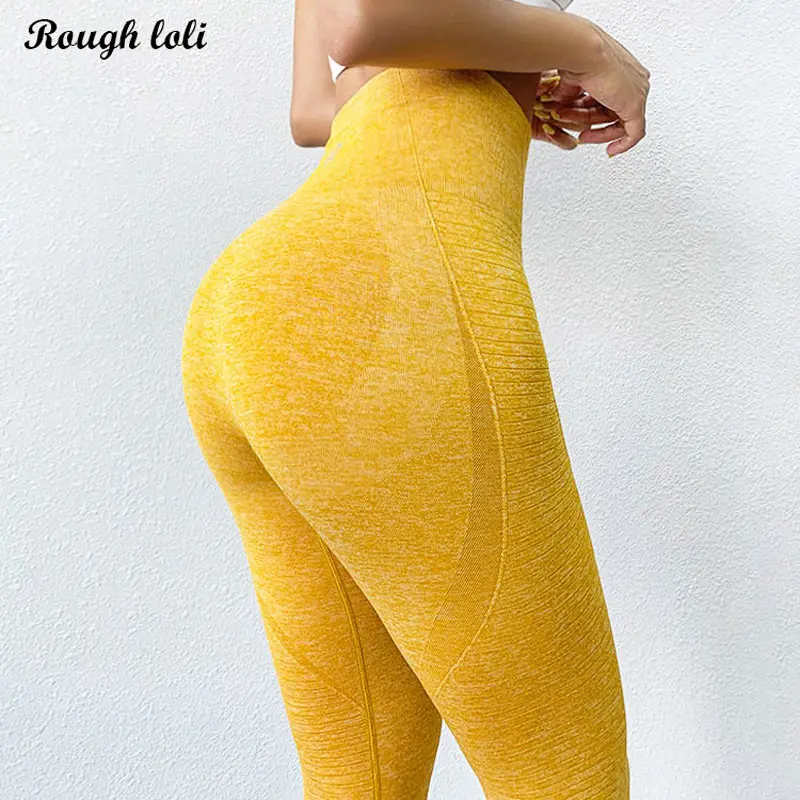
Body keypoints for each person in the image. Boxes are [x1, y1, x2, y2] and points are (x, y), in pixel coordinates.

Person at [181, 1, 650, 797]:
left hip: (251, 306)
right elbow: (364, 24)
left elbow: (314, 111)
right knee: (567, 777)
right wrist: (593, 48)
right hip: (385, 288)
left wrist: (501, 71)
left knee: (358, 778)